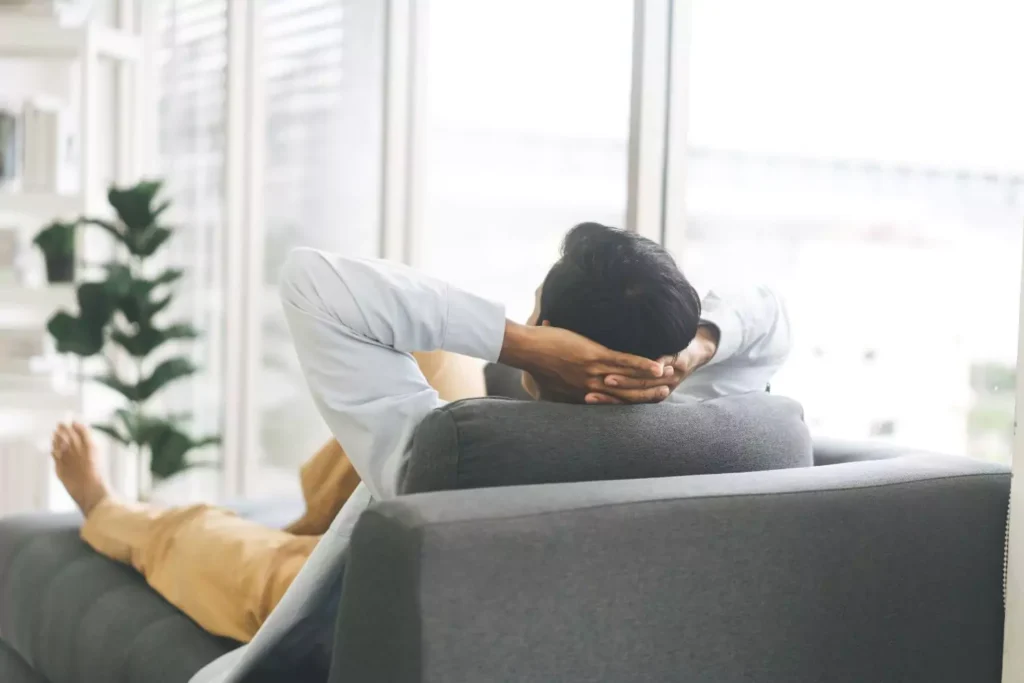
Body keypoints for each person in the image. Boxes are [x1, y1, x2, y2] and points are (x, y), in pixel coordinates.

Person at [50, 222, 790, 644]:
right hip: (453, 517)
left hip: (344, 585)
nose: (528, 327)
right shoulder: (716, 422)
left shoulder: (451, 456)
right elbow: (770, 312)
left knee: (190, 533)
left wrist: (522, 346)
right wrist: (698, 347)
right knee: (436, 354)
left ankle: (104, 509)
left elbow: (311, 281)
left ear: (562, 346)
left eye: (536, 319)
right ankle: (314, 517)